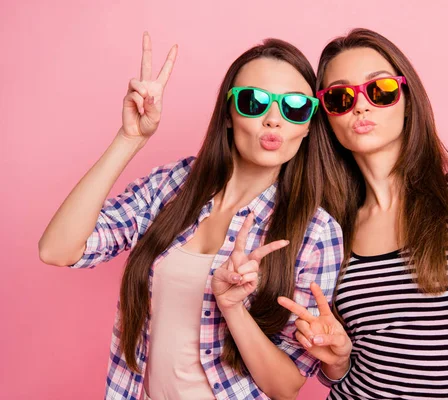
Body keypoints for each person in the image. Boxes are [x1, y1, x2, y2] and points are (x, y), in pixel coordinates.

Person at [38, 32, 343, 400]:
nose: (273, 119)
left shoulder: (317, 232)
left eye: (294, 106)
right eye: (253, 101)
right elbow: (58, 249)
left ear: (308, 124)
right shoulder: (172, 185)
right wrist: (129, 138)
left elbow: (286, 386)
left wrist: (233, 308)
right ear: (229, 114)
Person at [279, 28, 448, 400]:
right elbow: (341, 370)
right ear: (327, 118)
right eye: (340, 97)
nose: (361, 106)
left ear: (407, 98)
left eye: (379, 90)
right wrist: (336, 361)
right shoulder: (330, 227)